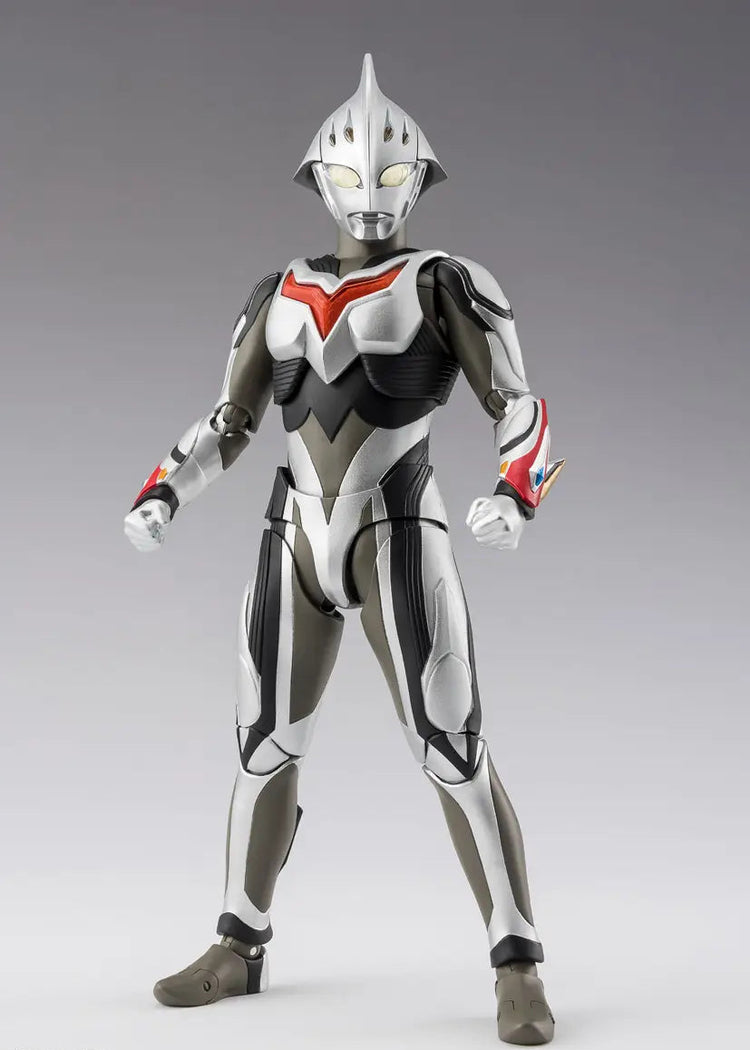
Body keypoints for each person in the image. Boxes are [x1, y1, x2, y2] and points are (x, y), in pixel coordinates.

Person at [124, 54, 562, 1045]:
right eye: (354, 174)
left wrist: (517, 491)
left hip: (398, 528)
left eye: (391, 174)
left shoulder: (445, 281)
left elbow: (518, 404)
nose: (371, 192)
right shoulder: (276, 291)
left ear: (419, 179)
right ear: (319, 177)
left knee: (452, 747)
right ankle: (239, 941)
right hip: (295, 532)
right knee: (263, 744)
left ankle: (518, 960)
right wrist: (164, 493)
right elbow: (231, 420)